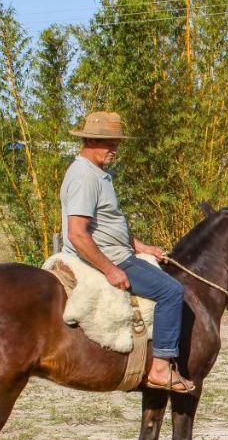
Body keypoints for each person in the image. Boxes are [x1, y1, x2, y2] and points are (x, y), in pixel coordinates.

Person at [60, 111, 194, 392]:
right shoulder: (86, 177)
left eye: (116, 143)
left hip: (119, 251)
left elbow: (108, 222)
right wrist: (110, 269)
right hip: (110, 258)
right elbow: (77, 233)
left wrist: (142, 246)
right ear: (90, 141)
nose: (114, 149)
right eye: (108, 143)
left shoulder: (97, 174)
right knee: (172, 291)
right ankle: (160, 367)